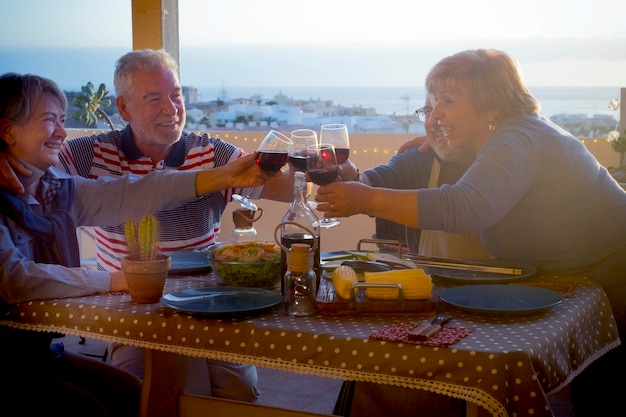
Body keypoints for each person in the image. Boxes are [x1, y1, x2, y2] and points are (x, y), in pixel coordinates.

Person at [316, 48, 626, 417]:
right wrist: (360, 180)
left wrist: (365, 198)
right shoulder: (481, 143)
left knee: (608, 394)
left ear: (491, 106)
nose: (435, 113)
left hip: (615, 270)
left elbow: (464, 206)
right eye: (431, 103)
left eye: (448, 101)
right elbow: (396, 173)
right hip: (580, 276)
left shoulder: (519, 138)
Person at [0, 48, 294, 411]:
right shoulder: (77, 159)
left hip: (207, 302)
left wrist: (336, 173)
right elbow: (12, 278)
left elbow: (136, 193)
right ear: (124, 109)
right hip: (125, 312)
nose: (171, 108)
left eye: (176, 95)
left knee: (228, 392)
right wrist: (119, 279)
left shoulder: (56, 185)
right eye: (154, 98)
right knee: (154, 392)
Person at [333, 95, 492, 417]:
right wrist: (349, 178)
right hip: (430, 294)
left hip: (491, 295)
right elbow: (372, 181)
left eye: (446, 106)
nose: (435, 118)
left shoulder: (498, 162)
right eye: (428, 110)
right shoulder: (419, 158)